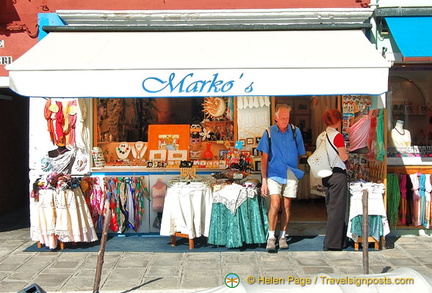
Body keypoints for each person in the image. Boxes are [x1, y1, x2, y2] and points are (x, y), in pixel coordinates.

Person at [257, 104, 306, 251]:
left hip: (290, 172)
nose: (285, 120)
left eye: (287, 117)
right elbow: (264, 158)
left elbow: (299, 153)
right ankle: (271, 237)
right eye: (282, 117)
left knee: (287, 205)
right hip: (274, 173)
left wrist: (295, 170)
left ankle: (283, 236)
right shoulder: (269, 133)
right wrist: (264, 180)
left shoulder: (295, 131)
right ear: (276, 117)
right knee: (275, 204)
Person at [320, 109, 349, 251]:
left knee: (331, 209)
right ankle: (333, 243)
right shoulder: (337, 136)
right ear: (338, 120)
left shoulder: (322, 136)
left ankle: (336, 241)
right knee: (338, 210)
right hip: (337, 174)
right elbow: (343, 156)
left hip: (325, 174)